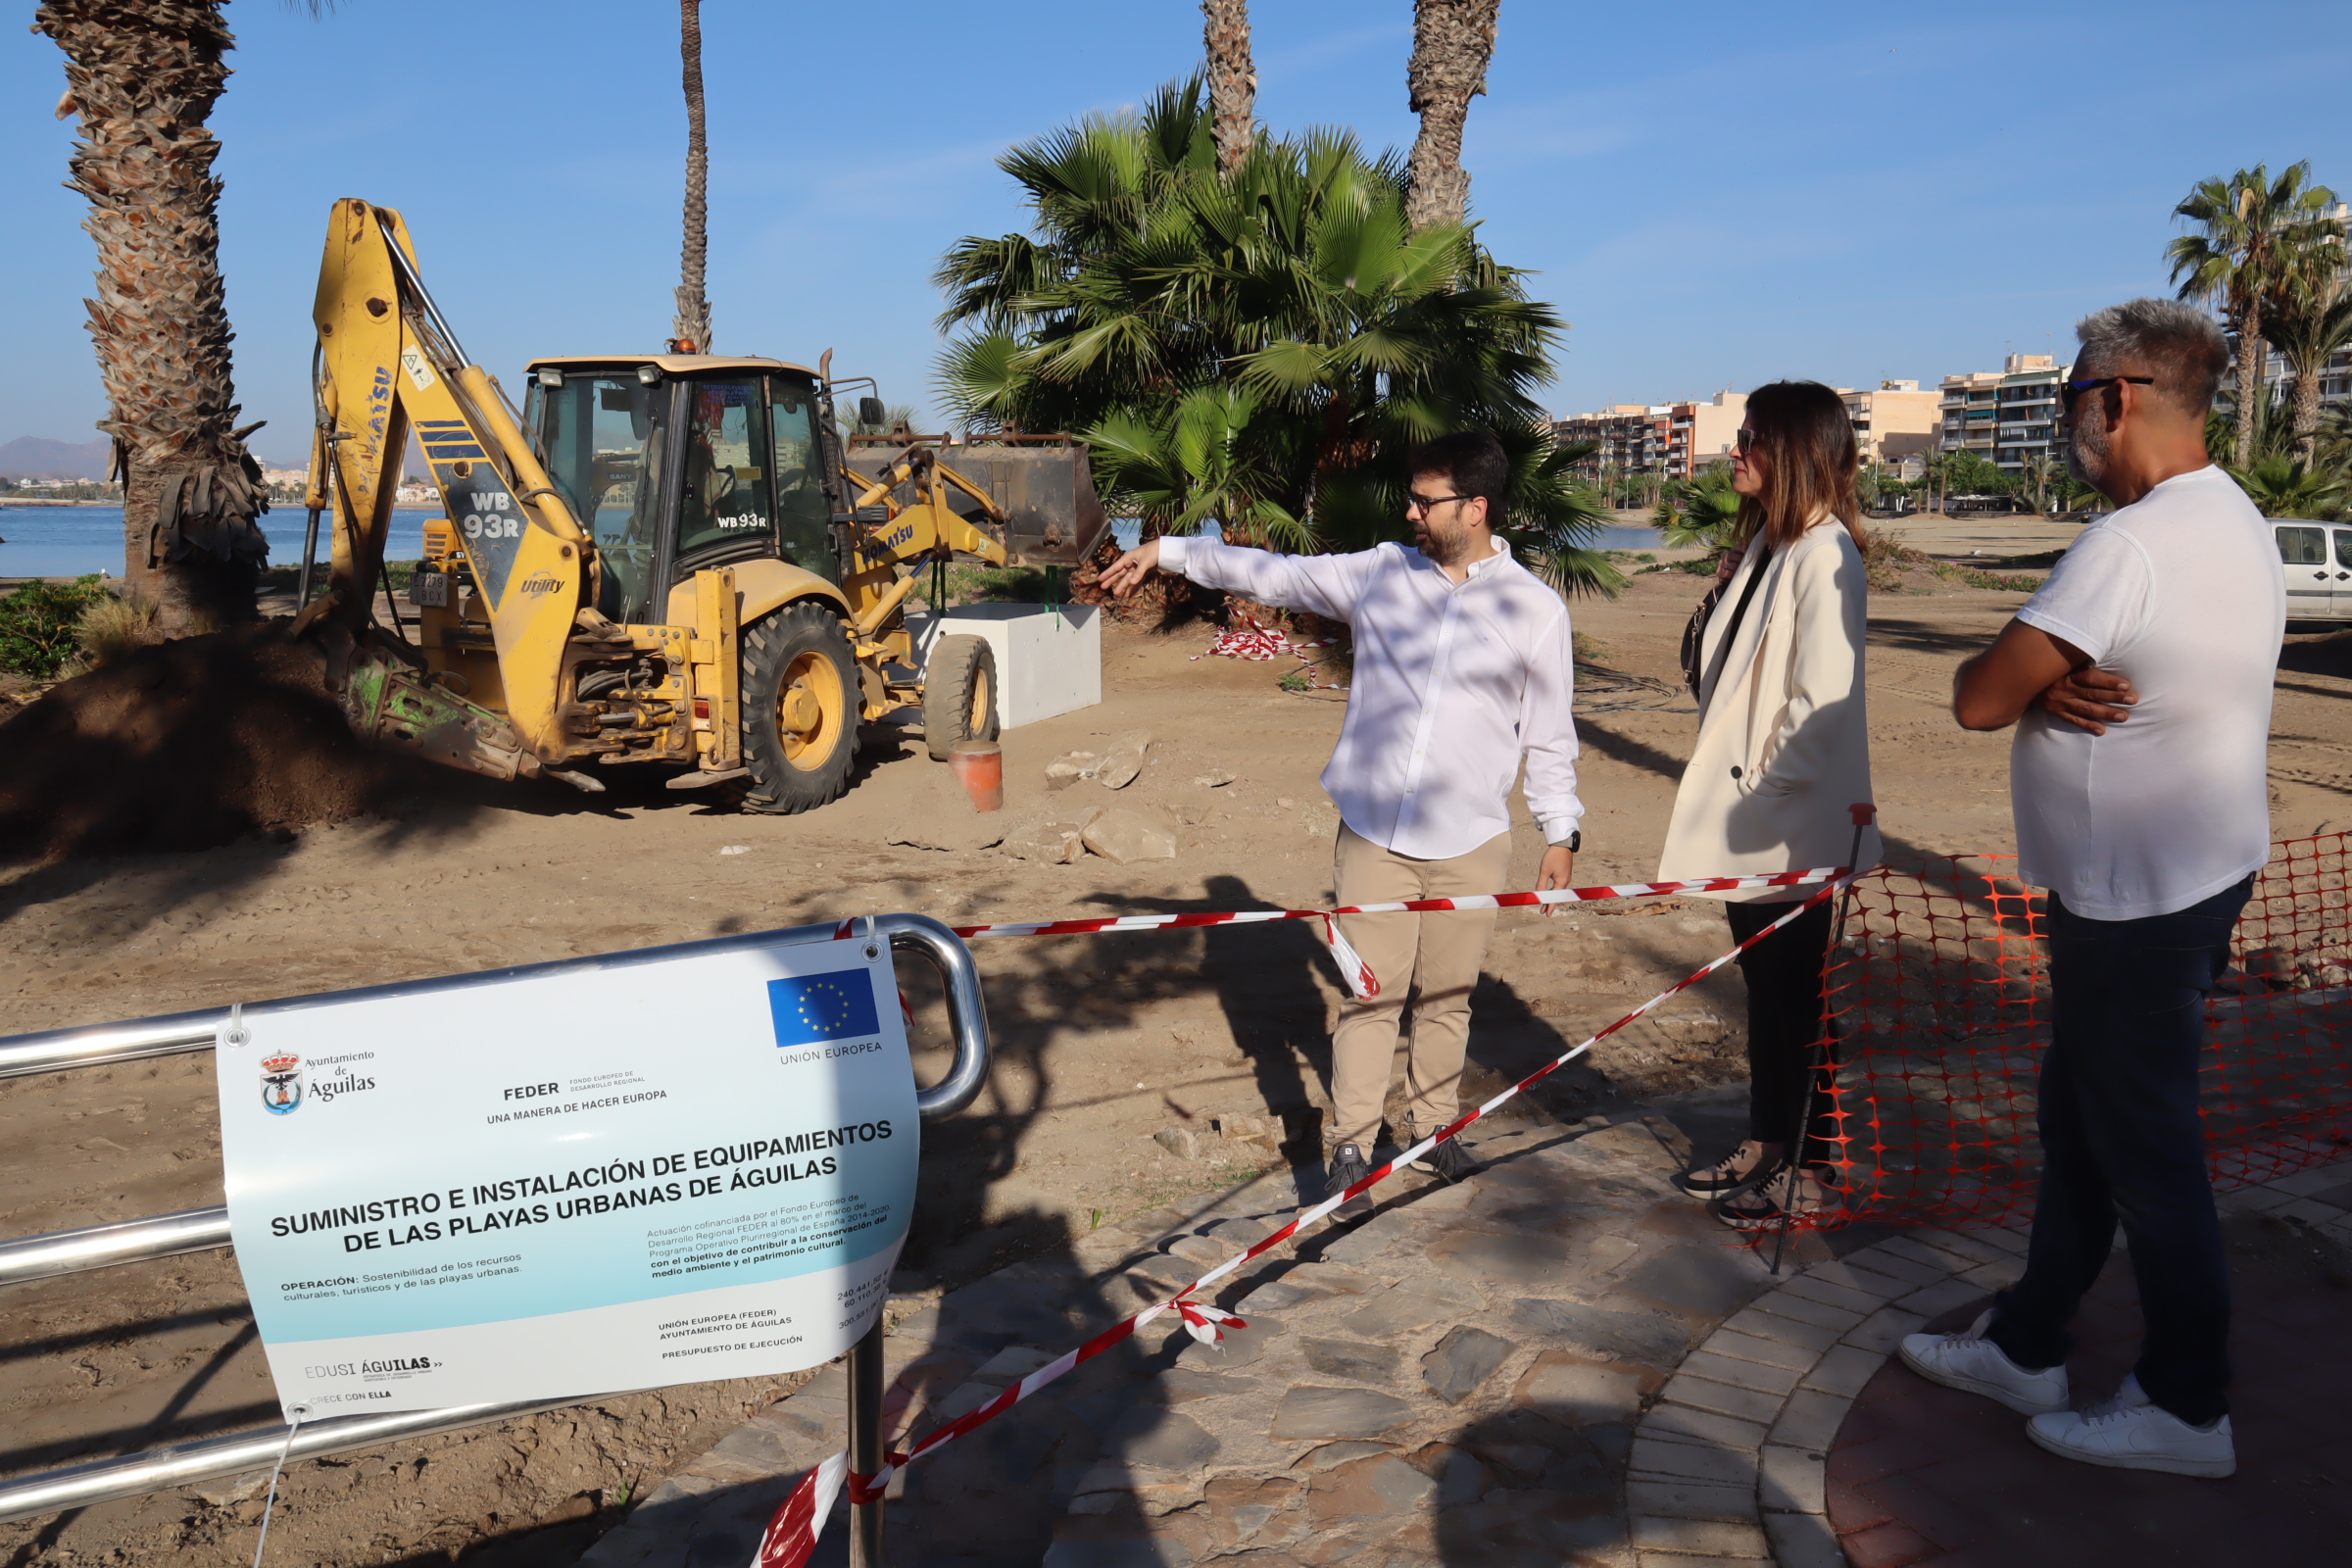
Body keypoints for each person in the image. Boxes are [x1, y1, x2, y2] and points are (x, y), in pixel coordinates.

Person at [1901, 298, 2276, 1479]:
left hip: (2135, 904)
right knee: (2084, 1123)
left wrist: (2028, 685)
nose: (2070, 418)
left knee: (2147, 1148)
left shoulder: (2131, 543)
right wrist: (2059, 685)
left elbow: (1975, 695)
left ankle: (2186, 1404)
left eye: (2071, 397)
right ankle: (2025, 1343)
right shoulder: (2237, 520)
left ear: (2115, 399)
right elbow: (2141, 666)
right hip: (2192, 879)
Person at [1098, 431, 1582, 1205]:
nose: (1410, 511)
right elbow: (1275, 573)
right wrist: (1170, 551)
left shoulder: (1534, 609)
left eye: (1427, 501)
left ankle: (1433, 1131)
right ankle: (1352, 1144)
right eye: (1412, 498)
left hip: (1474, 841)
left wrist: (1561, 831)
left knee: (1449, 996)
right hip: (1374, 834)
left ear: (1477, 508)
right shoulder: (1381, 574)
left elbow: (1550, 732)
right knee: (1368, 994)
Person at [1654, 381, 1878, 1230]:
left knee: (1798, 1001)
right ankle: (1768, 1144)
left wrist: (1755, 801)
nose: (1734, 449)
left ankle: (1810, 1165)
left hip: (1785, 833)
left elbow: (1820, 705)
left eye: (1750, 438)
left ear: (1794, 451)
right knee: (1772, 993)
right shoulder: (1773, 547)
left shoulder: (1824, 554)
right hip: (1756, 825)